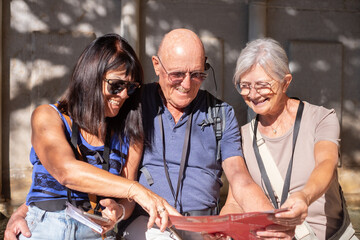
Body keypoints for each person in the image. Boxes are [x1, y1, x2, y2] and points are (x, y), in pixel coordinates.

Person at [6, 30, 293, 240]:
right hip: (67, 228)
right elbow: (64, 170)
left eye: (197, 74)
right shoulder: (63, 114)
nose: (187, 84)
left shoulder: (128, 119)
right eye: (177, 74)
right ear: (158, 67)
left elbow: (239, 179)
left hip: (108, 230)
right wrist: (27, 210)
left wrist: (270, 223)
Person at [5, 33, 176, 240]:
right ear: (91, 78)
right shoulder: (49, 116)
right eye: (116, 85)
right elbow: (65, 171)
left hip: (95, 231)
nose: (123, 95)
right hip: (45, 227)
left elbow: (127, 201)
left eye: (131, 88)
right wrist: (137, 190)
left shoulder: (129, 133)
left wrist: (118, 212)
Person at [222, 37, 358, 240]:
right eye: (245, 85)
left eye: (262, 85)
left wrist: (304, 196)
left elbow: (326, 164)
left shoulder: (320, 118)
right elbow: (234, 200)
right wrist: (224, 227)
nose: (253, 94)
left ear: (285, 82)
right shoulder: (241, 137)